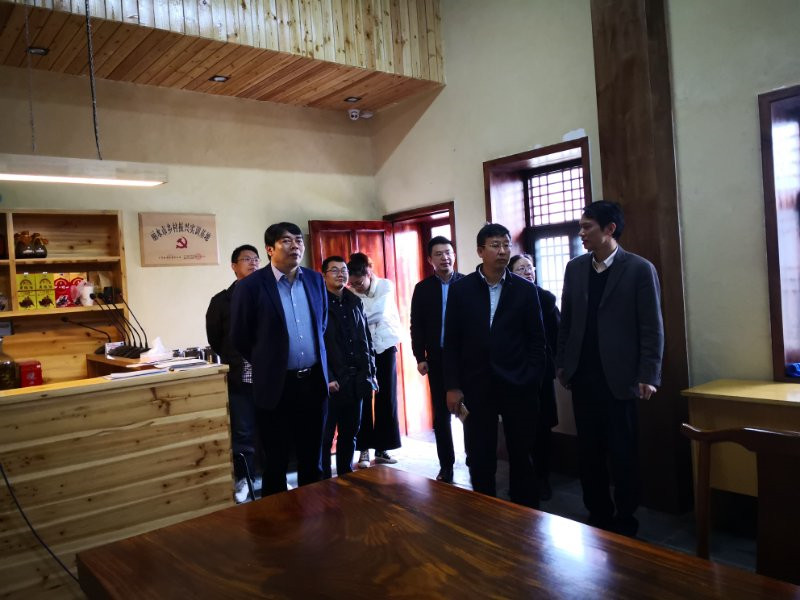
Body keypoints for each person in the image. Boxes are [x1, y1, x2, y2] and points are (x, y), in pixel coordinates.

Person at [556, 201, 664, 537]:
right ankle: (598, 513)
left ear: (610, 229)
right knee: (589, 451)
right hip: (583, 376)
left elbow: (652, 327)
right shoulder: (575, 268)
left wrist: (649, 374)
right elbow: (566, 321)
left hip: (621, 378)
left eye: (587, 226)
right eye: (580, 226)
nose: (581, 233)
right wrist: (562, 364)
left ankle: (626, 517)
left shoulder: (639, 269)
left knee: (623, 453)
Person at [443, 223, 547, 508]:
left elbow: (537, 341)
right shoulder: (461, 290)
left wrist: (531, 377)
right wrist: (452, 386)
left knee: (521, 453)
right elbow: (451, 342)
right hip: (476, 384)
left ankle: (525, 514)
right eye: (495, 245)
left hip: (518, 383)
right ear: (480, 251)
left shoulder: (525, 290)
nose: (502, 251)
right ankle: (484, 511)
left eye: (506, 245)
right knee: (480, 455)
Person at [230, 222, 329, 496]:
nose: (295, 245)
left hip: (313, 382)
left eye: (298, 240)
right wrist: (268, 362)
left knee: (312, 458)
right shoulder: (251, 286)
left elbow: (321, 325)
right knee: (276, 461)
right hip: (276, 385)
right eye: (286, 241)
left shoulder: (315, 280)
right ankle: (277, 519)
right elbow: (240, 337)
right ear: (270, 249)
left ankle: (316, 512)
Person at [205, 244, 261, 503]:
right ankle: (244, 480)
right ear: (234, 266)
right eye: (246, 259)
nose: (253, 263)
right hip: (240, 378)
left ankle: (271, 476)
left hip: (269, 377)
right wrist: (236, 358)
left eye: (256, 259)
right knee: (242, 433)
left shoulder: (269, 294)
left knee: (272, 429)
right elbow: (216, 339)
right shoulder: (221, 301)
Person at [410, 236, 464, 483]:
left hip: (465, 358)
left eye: (448, 252)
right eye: (439, 254)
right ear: (430, 259)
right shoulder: (423, 289)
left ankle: (474, 458)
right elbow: (417, 325)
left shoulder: (467, 284)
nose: (445, 258)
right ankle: (446, 466)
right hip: (437, 358)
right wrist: (419, 357)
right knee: (441, 416)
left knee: (470, 410)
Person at [509, 254, 560, 500]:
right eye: (521, 269)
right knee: (518, 429)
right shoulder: (507, 300)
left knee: (542, 428)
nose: (528, 272)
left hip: (542, 375)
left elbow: (558, 336)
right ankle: (521, 480)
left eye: (530, 267)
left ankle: (542, 478)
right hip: (515, 375)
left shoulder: (547, 299)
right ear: (511, 274)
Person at [321, 255, 377, 478]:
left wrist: (371, 372)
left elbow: (366, 339)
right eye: (334, 270)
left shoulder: (354, 300)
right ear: (324, 275)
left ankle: (346, 476)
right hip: (333, 381)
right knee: (326, 436)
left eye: (343, 270)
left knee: (350, 433)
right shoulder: (319, 303)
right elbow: (318, 344)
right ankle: (324, 480)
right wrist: (328, 376)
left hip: (357, 379)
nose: (340, 274)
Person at [347, 252, 403, 468]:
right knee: (363, 396)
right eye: (352, 284)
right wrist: (360, 316)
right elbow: (357, 319)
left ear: (368, 273)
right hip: (362, 348)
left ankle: (382, 448)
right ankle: (363, 449)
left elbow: (376, 314)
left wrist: (359, 315)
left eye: (359, 282)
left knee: (386, 397)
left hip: (385, 346)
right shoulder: (350, 291)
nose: (355, 287)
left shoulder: (385, 285)